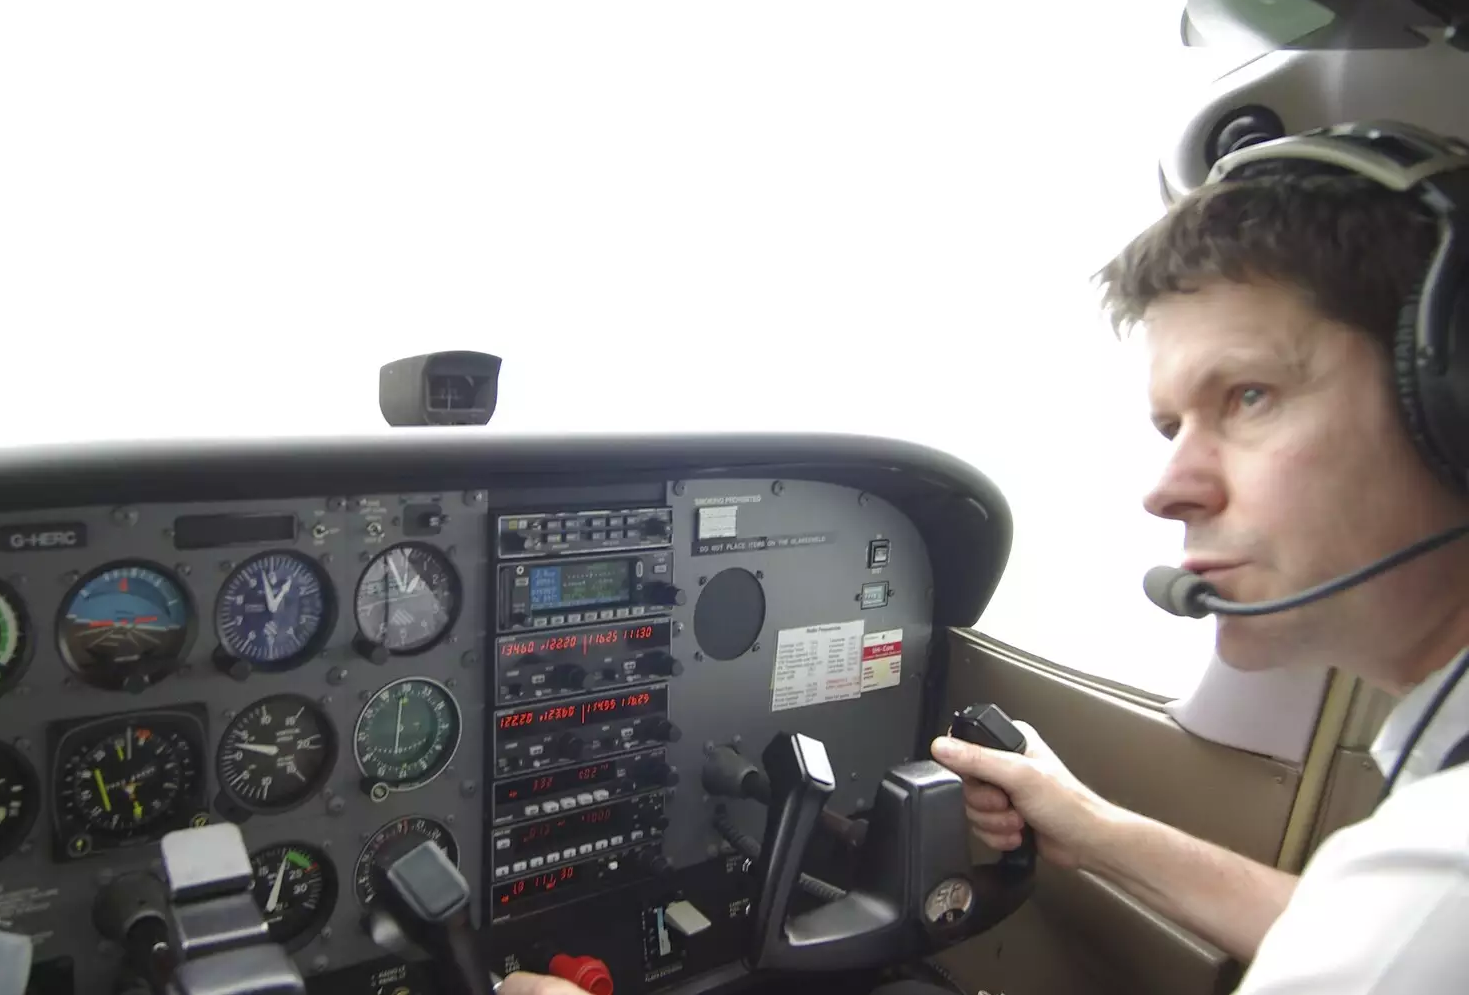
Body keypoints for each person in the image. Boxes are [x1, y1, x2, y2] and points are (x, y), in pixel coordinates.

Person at [501, 128, 1469, 994]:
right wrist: (1092, 825)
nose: (1167, 486)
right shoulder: (1413, 864)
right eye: (1172, 424)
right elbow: (1335, 922)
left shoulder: (1438, 879)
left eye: (1248, 396)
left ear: (1447, 398)